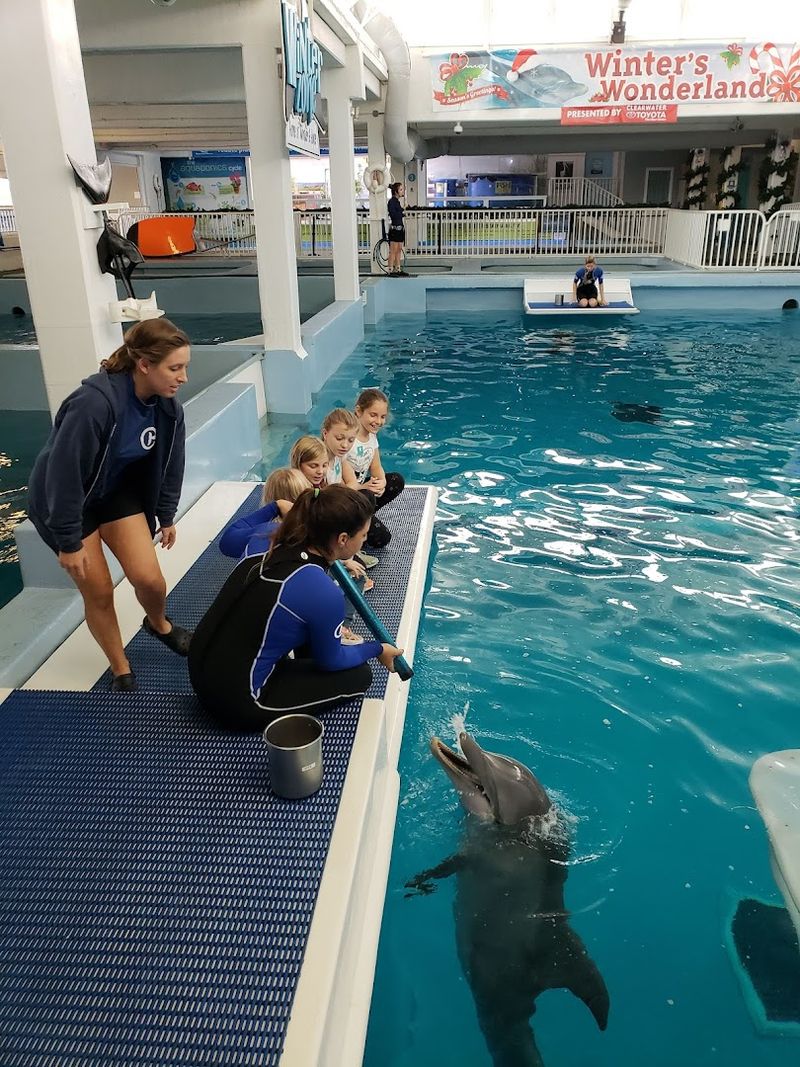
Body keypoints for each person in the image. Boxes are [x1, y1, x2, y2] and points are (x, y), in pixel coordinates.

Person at [27, 318, 193, 692]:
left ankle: (158, 623)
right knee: (99, 590)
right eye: (175, 367)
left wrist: (166, 514)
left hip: (116, 493)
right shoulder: (94, 404)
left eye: (185, 367)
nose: (182, 377)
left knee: (149, 578)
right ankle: (120, 667)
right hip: (68, 501)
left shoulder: (167, 409)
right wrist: (68, 540)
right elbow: (63, 473)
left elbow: (171, 463)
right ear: (144, 365)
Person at [188, 486, 403, 732]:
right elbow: (331, 661)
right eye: (363, 536)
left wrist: (275, 506)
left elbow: (229, 539)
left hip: (199, 672)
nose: (364, 540)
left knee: (300, 621)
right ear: (343, 539)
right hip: (238, 703)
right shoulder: (323, 592)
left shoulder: (268, 535)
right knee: (360, 676)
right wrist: (377, 649)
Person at [346, 387, 406, 549]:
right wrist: (363, 488)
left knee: (395, 480)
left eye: (383, 417)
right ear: (358, 411)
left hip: (361, 491)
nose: (378, 421)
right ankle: (353, 525)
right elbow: (339, 482)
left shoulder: (371, 436)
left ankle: (363, 518)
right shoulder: (347, 440)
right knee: (382, 539)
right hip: (345, 496)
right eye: (373, 415)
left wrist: (381, 484)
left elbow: (376, 466)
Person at [219, 467, 311, 561]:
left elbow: (227, 542)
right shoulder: (315, 525)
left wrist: (274, 507)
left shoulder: (265, 533)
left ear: (268, 496)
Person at [321, 408, 360, 488]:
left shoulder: (339, 455)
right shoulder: (320, 465)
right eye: (339, 438)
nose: (345, 445)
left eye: (351, 440)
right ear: (325, 433)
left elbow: (353, 482)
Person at [387, 182, 410, 277]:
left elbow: (399, 213)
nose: (402, 191)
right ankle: (390, 270)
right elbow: (394, 215)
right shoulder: (392, 202)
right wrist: (402, 210)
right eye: (400, 189)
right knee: (393, 250)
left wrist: (403, 210)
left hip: (400, 229)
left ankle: (398, 269)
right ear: (395, 191)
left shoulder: (397, 201)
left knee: (399, 249)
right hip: (395, 229)